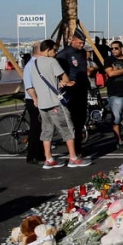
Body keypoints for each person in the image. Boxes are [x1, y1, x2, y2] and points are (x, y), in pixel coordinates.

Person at [27, 40, 91, 169]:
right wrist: (63, 83)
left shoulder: (33, 64)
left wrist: (35, 98)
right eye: (54, 50)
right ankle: (73, 158)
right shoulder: (52, 62)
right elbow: (65, 78)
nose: (56, 53)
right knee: (67, 128)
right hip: (55, 102)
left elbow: (30, 86)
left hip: (42, 104)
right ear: (48, 49)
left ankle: (48, 158)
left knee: (46, 131)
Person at [56, 28, 94, 157]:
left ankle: (79, 146)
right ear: (73, 40)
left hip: (82, 89)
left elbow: (83, 69)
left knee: (81, 119)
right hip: (71, 90)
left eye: (83, 42)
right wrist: (63, 81)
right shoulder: (64, 54)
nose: (81, 45)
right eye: (79, 42)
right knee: (73, 120)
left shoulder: (82, 52)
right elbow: (57, 70)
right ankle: (75, 149)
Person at [21, 42, 46, 165]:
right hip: (33, 100)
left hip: (40, 99)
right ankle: (33, 155)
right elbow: (29, 86)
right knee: (36, 129)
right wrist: (35, 98)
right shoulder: (31, 65)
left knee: (41, 128)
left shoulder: (39, 64)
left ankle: (41, 154)